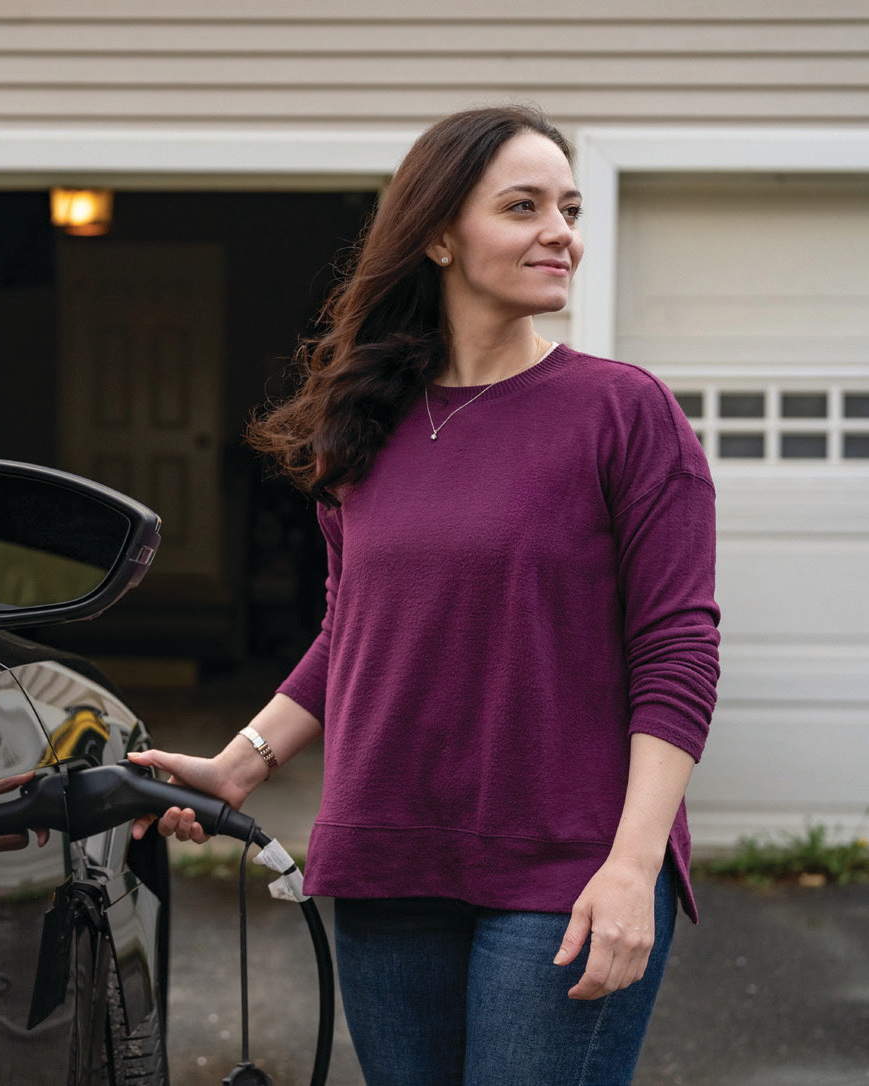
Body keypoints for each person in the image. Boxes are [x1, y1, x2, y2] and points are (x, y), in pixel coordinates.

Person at [129, 105, 720, 1085]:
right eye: (522, 206)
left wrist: (633, 865)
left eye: (567, 208)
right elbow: (354, 627)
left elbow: (676, 651)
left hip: (563, 866)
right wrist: (240, 764)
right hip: (386, 853)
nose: (559, 232)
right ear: (439, 233)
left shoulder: (622, 413)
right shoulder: (360, 427)